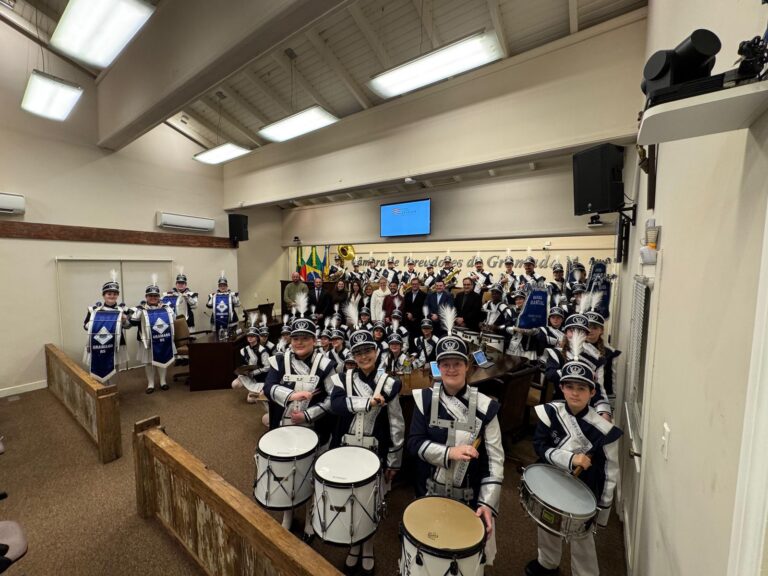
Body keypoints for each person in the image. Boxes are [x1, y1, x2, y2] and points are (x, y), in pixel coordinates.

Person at [408, 326, 504, 565]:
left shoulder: (485, 407)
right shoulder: (425, 399)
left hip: (470, 497)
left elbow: (495, 460)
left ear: (467, 367)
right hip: (429, 491)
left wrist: (487, 503)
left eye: (457, 364)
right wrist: (450, 452)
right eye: (446, 364)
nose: (451, 369)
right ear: (438, 369)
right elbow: (414, 443)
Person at [526, 354, 622, 576]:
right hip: (551, 482)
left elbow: (610, 471)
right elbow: (539, 446)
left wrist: (603, 510)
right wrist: (571, 459)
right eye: (569, 387)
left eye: (581, 388)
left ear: (592, 392)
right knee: (548, 525)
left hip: (585, 492)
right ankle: (547, 563)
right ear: (561, 388)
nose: (575, 393)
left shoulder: (604, 430)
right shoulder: (550, 412)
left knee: (582, 539)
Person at [330, 330, 405, 576]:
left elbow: (397, 423)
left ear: (376, 352)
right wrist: (368, 403)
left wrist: (394, 460)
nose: (364, 356)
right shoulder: (342, 378)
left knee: (371, 502)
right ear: (353, 355)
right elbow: (338, 406)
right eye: (358, 353)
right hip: (347, 448)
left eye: (368, 351)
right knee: (351, 499)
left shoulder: (390, 383)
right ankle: (354, 545)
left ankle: (369, 545)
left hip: (376, 452)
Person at [263, 316, 337, 540]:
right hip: (283, 429)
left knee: (311, 473)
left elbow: (334, 398)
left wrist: (307, 414)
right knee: (286, 473)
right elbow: (268, 387)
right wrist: (292, 395)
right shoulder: (278, 360)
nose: (299, 342)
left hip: (315, 429)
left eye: (305, 338)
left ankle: (309, 517)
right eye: (295, 338)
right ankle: (288, 513)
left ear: (314, 340)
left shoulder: (326, 365)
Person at [544, 314, 612, 420]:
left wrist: (603, 411)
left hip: (587, 407)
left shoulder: (596, 357)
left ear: (586, 334)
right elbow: (550, 374)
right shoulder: (556, 353)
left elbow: (600, 389)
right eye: (571, 331)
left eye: (580, 331)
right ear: (566, 333)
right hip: (561, 404)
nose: (575, 335)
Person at [83, 272, 132, 384]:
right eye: (109, 294)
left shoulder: (123, 310)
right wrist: (94, 322)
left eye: (114, 294)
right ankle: (103, 393)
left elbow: (129, 326)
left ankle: (113, 392)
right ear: (104, 295)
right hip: (98, 344)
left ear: (117, 295)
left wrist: (125, 319)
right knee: (99, 369)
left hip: (116, 344)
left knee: (114, 369)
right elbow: (85, 326)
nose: (112, 296)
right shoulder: (95, 310)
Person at [132, 279, 176, 394]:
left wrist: (166, 309)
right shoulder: (140, 308)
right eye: (150, 295)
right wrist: (140, 311)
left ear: (159, 296)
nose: (153, 298)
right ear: (146, 296)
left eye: (155, 295)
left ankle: (163, 381)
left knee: (163, 358)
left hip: (162, 339)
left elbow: (174, 318)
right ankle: (150, 383)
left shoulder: (166, 307)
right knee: (148, 362)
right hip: (146, 340)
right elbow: (133, 321)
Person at [232, 322, 270, 405]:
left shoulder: (263, 350)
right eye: (248, 336)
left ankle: (260, 392)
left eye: (252, 336)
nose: (250, 338)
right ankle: (252, 390)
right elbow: (243, 364)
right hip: (248, 375)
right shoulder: (243, 350)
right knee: (235, 384)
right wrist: (244, 371)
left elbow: (267, 367)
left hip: (260, 378)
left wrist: (254, 373)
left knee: (250, 400)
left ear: (257, 337)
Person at [586, 310, 621, 398]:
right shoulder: (574, 348)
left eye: (594, 327)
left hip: (599, 398)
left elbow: (610, 379)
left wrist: (609, 401)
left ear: (601, 330)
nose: (590, 330)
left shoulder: (610, 352)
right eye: (588, 327)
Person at [403, 277, 426, 347]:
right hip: (408, 323)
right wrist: (407, 314)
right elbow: (404, 307)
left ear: (419, 284)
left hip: (418, 323)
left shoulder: (424, 295)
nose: (414, 285)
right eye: (413, 284)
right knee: (408, 341)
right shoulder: (407, 294)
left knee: (417, 342)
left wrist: (413, 316)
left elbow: (423, 309)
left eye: (416, 284)